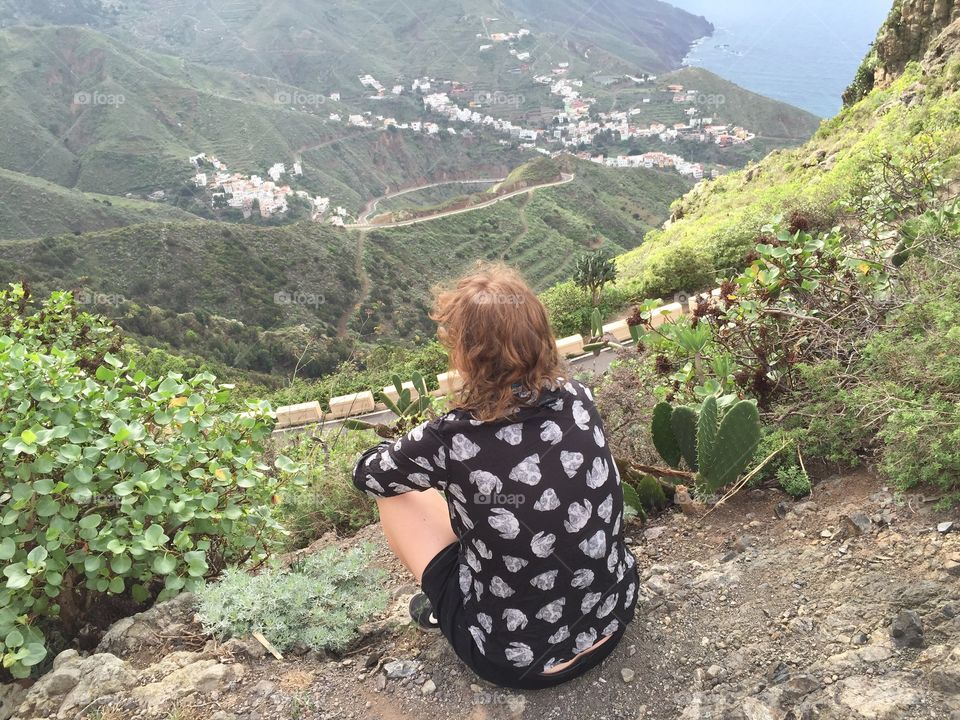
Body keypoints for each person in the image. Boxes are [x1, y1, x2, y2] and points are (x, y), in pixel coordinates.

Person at [352, 264, 638, 689]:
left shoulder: (449, 437)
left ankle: (447, 608)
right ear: (540, 334)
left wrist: (418, 453)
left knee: (395, 495)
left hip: (516, 662)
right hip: (613, 618)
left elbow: (367, 476)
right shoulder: (580, 397)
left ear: (465, 354)